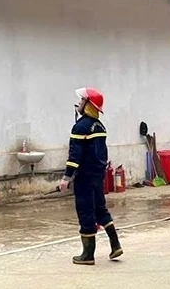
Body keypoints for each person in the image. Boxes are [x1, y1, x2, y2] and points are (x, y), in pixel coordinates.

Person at [58, 87, 122, 265]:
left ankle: (88, 255)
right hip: (98, 176)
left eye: (81, 101)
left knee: (86, 212)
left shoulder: (80, 127)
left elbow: (75, 155)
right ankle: (115, 244)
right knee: (100, 209)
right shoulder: (100, 126)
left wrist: (66, 177)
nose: (78, 103)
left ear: (87, 104)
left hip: (84, 177)